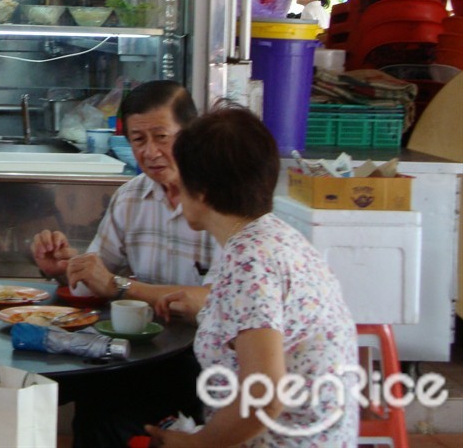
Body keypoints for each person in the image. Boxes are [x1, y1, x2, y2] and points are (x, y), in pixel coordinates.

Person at [147, 106, 358, 447]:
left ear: (200, 191)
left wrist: (196, 444)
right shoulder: (275, 237)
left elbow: (265, 395)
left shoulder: (250, 261)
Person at [30, 80, 218, 447]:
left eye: (161, 137)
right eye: (138, 140)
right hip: (138, 349)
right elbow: (94, 277)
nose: (150, 152)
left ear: (192, 135)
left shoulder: (220, 201)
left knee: (114, 412)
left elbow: (211, 303)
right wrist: (64, 268)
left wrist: (119, 286)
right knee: (75, 390)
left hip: (198, 357)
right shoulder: (130, 197)